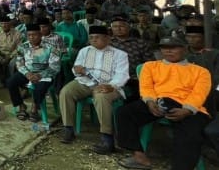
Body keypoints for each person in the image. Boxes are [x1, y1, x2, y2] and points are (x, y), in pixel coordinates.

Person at [116, 37, 211, 170]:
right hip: (157, 102)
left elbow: (199, 94)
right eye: (164, 48)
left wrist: (187, 110)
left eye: (174, 47)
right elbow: (146, 87)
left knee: (191, 134)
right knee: (124, 113)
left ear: (185, 49)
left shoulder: (200, 71)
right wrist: (150, 102)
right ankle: (139, 156)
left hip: (187, 107)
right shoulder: (151, 66)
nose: (168, 51)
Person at [58, 26, 129, 154]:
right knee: (66, 92)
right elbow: (76, 69)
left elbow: (122, 75)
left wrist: (111, 85)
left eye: (97, 37)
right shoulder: (84, 51)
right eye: (91, 38)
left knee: (101, 97)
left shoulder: (120, 54)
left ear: (107, 39)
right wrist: (77, 70)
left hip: (108, 85)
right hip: (85, 83)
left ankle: (107, 138)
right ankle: (68, 128)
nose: (93, 40)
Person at [8, 25, 61, 122]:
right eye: (29, 35)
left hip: (44, 74)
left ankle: (35, 108)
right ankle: (21, 106)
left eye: (34, 35)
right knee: (11, 82)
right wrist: (27, 73)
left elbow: (55, 66)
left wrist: (40, 75)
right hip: (27, 72)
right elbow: (19, 63)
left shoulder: (50, 47)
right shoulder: (23, 47)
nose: (31, 37)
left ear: (40, 35)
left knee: (40, 86)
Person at [109, 15, 154, 100]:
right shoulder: (107, 44)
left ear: (129, 27)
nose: (118, 29)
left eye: (121, 26)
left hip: (134, 77)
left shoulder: (140, 43)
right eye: (115, 26)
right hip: (113, 77)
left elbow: (150, 63)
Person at [0, 16, 22, 88]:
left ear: (10, 24)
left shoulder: (17, 33)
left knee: (12, 64)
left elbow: (19, 48)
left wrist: (10, 56)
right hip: (1, 55)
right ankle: (2, 80)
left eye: (6, 23)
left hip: (13, 55)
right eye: (2, 23)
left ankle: (12, 82)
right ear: (0, 24)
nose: (4, 25)